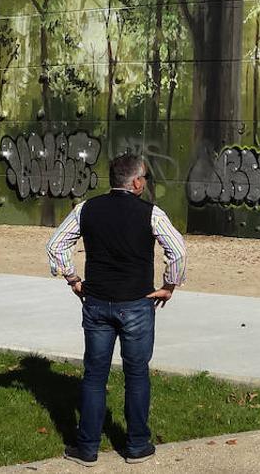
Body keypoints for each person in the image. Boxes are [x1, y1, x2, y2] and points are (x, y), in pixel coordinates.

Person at [46, 153, 187, 467]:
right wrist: (169, 285)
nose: (145, 183)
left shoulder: (86, 209)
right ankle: (137, 445)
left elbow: (55, 245)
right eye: (145, 178)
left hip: (96, 303)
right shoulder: (151, 213)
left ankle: (86, 449)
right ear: (136, 182)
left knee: (94, 377)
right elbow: (177, 249)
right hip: (137, 304)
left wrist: (72, 279)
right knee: (136, 375)